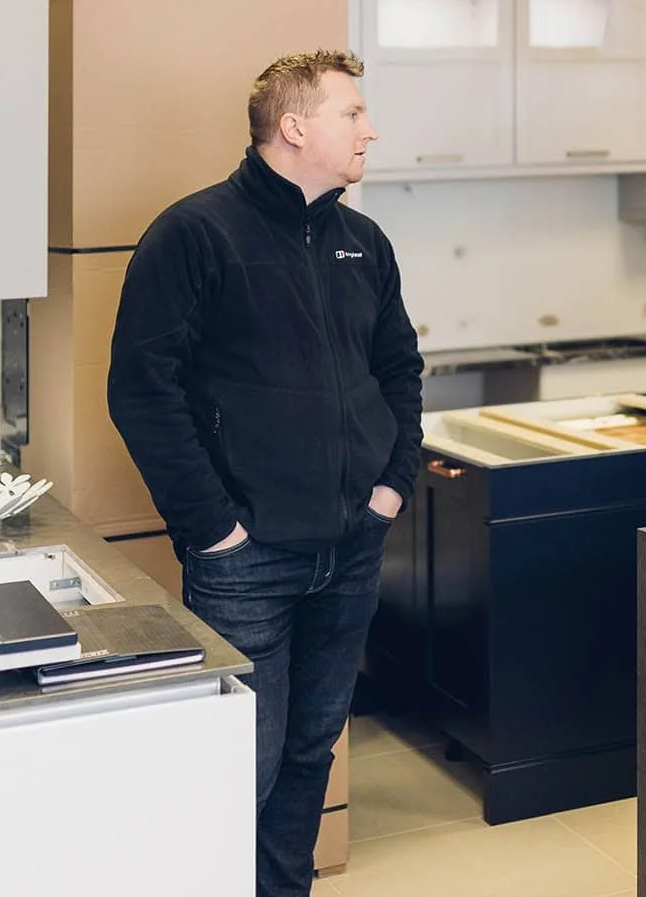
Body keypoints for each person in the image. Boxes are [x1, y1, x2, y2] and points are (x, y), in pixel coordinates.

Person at [106, 50, 423, 897]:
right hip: (247, 557)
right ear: (295, 127)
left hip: (351, 546)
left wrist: (392, 486)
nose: (370, 128)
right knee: (239, 760)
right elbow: (141, 391)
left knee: (310, 751)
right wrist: (214, 527)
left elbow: (400, 369)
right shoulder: (195, 234)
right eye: (352, 113)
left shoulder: (365, 242)